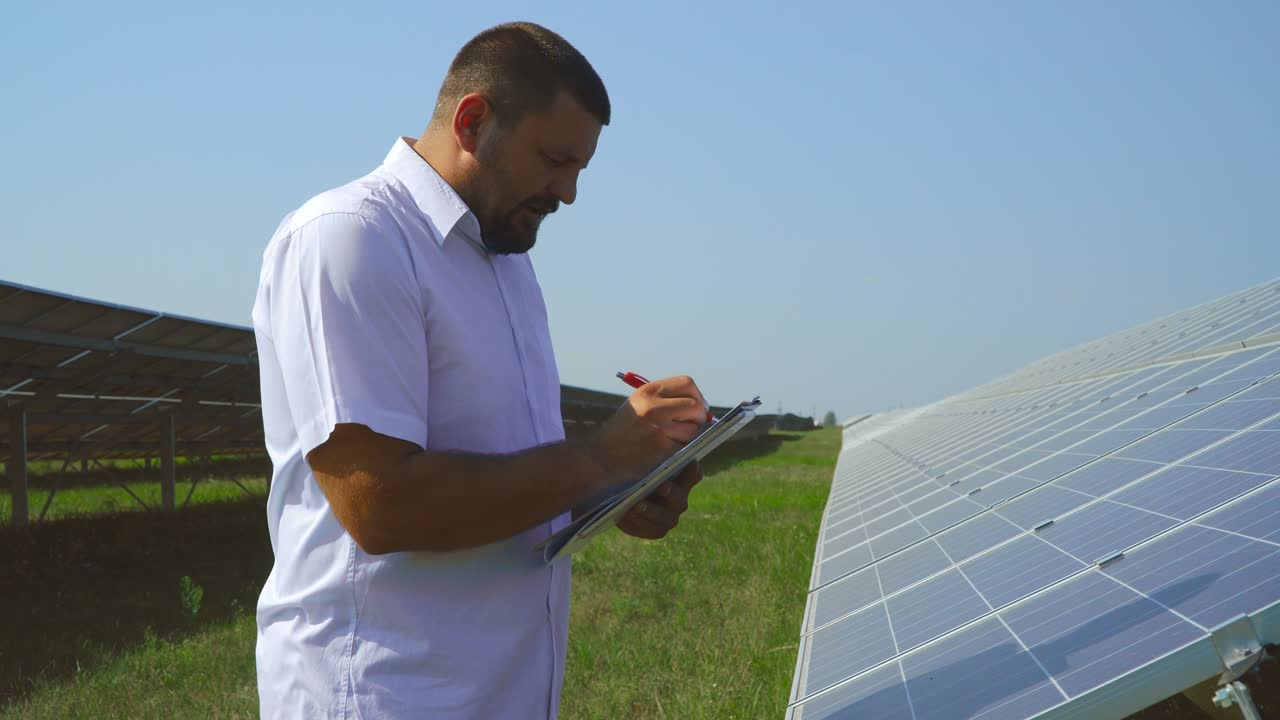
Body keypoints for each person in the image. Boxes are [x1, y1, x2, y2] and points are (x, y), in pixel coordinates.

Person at [250, 21, 708, 720]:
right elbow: (380, 505)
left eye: (580, 168)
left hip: (495, 691)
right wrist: (594, 457)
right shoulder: (353, 239)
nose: (569, 192)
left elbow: (505, 471)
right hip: (385, 692)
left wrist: (618, 488)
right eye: (556, 159)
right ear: (473, 120)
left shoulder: (507, 264)